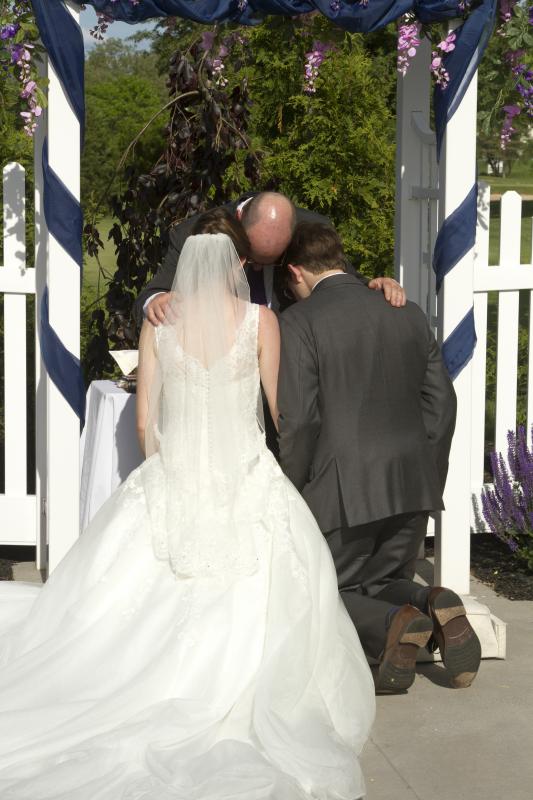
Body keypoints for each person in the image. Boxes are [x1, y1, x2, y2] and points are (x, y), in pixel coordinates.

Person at [0, 227, 375, 799]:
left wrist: (166, 471)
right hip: (246, 473)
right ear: (237, 266)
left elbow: (145, 419)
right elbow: (281, 411)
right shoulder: (260, 321)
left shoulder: (160, 325)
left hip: (176, 471)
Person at [277, 222, 482, 694]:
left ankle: (396, 623)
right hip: (412, 479)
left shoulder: (300, 322)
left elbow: (301, 420)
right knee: (385, 579)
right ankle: (432, 603)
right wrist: (428, 472)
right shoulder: (407, 312)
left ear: (296, 272)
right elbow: (442, 406)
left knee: (326, 591)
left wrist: (293, 485)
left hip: (342, 488)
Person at [134, 190, 406, 327]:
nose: (258, 269)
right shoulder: (197, 233)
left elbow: (339, 279)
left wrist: (375, 286)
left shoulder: (312, 227)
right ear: (239, 221)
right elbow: (149, 296)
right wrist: (155, 302)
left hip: (288, 362)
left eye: (274, 261)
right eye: (251, 259)